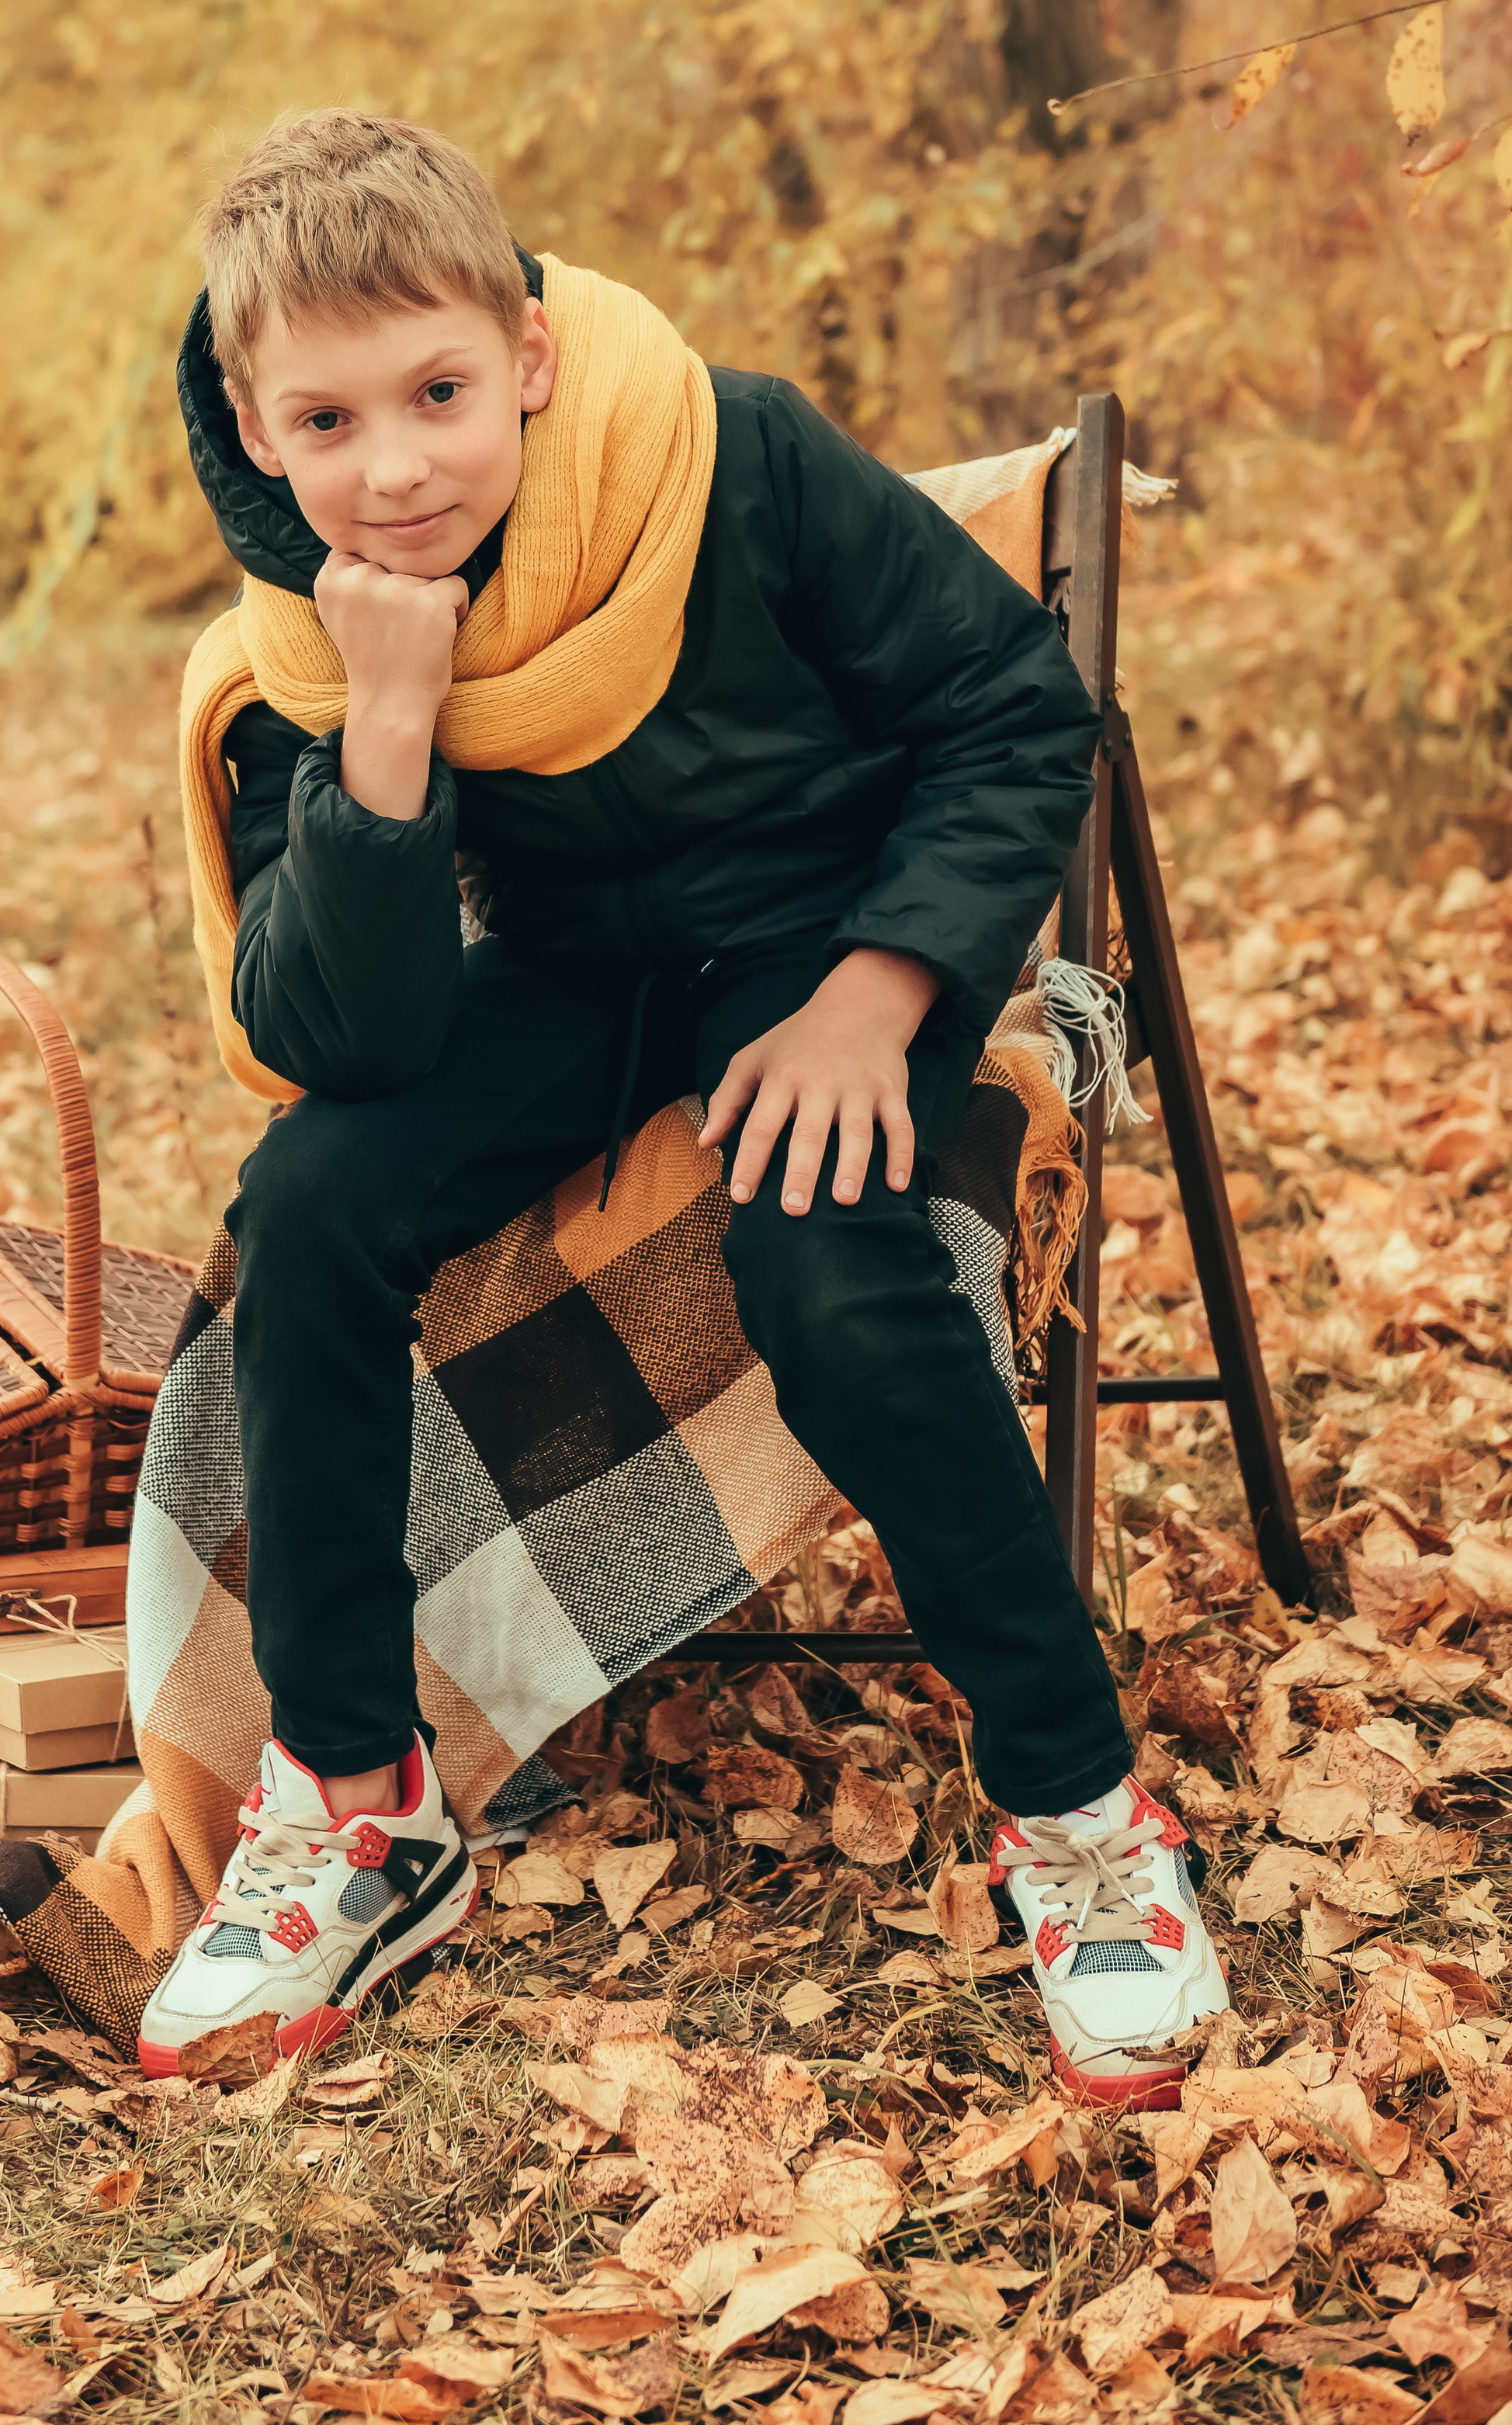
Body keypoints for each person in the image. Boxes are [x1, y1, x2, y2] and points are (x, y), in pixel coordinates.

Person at [139, 109, 1228, 2106]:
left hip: (831, 938)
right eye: (327, 418)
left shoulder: (727, 453)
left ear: (528, 355)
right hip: (569, 978)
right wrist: (383, 730)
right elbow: (347, 1039)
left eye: (439, 392)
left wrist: (877, 989)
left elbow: (1010, 709)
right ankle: (360, 1804)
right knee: (305, 1204)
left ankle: (1081, 1816)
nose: (390, 466)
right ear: (252, 416)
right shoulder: (301, 640)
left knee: (821, 1254)